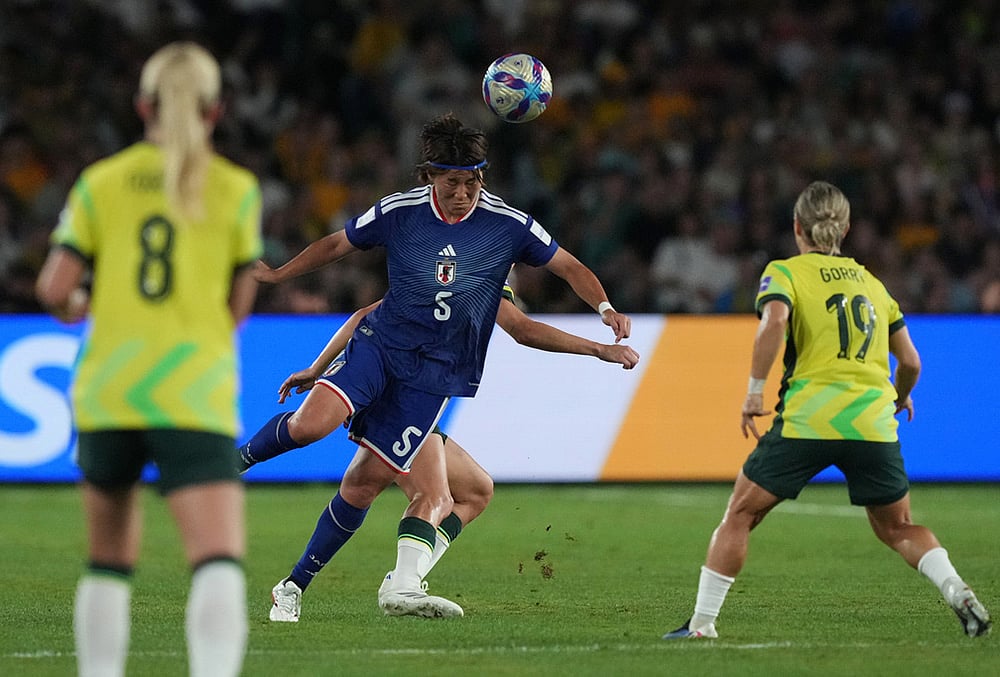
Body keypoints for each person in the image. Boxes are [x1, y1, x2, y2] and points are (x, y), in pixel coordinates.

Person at [238, 112, 631, 619]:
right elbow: (350, 273)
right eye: (452, 183)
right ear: (429, 177)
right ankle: (238, 462)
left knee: (368, 486)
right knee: (311, 427)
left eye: (471, 183)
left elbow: (555, 285)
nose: (463, 193)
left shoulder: (503, 233)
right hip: (381, 350)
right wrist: (278, 281)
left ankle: (301, 588)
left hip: (431, 380)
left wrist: (603, 315)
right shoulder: (400, 213)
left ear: (482, 180)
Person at [663, 180, 992, 640]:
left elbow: (774, 322)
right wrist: (899, 396)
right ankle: (955, 588)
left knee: (740, 515)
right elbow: (912, 362)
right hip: (872, 424)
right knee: (899, 528)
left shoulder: (786, 272)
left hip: (809, 419)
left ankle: (701, 626)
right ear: (847, 228)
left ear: (797, 226)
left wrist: (755, 391)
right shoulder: (874, 284)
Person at [34, 42, 262, 676]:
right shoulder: (236, 190)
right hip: (192, 392)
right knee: (216, 556)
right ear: (215, 112)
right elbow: (237, 306)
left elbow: (54, 288)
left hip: (109, 390)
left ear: (142, 106)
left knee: (108, 559)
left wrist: (82, 303)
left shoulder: (100, 182)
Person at [263, 289, 639, 622]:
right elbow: (524, 329)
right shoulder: (454, 268)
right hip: (396, 392)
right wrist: (600, 348)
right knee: (432, 495)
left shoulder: (473, 269)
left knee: (474, 491)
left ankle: (302, 586)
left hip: (419, 400)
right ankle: (401, 587)